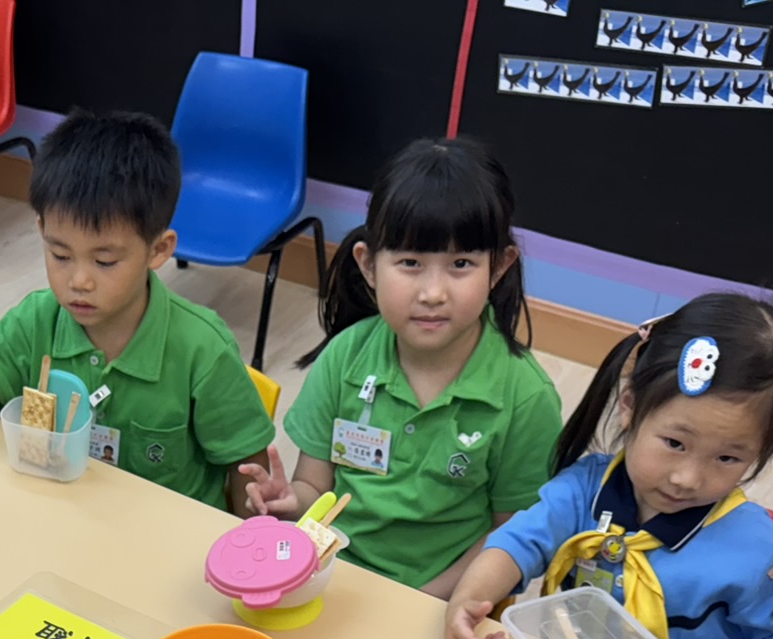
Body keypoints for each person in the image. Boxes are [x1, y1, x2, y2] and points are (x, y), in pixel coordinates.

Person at [443, 292, 773, 639]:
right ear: (630, 405)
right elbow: (515, 546)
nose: (687, 478)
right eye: (675, 443)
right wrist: (468, 600)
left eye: (728, 458)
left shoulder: (755, 548)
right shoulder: (583, 489)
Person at [238, 138, 562, 594]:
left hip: (444, 597)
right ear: (369, 265)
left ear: (499, 267)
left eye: (461, 264)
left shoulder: (526, 398)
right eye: (410, 262)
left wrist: (424, 602)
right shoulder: (344, 357)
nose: (433, 293)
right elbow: (315, 485)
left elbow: (508, 534)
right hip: (335, 580)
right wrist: (292, 505)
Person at [0, 108, 275, 515]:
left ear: (159, 250)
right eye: (60, 255)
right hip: (60, 518)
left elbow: (249, 473)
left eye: (105, 262)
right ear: (42, 231)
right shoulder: (36, 321)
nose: (79, 281)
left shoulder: (203, 349)